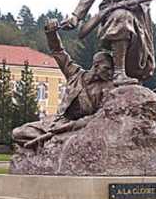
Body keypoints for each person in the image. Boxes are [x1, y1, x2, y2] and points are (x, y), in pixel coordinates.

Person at [12, 19, 114, 147]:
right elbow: (58, 52)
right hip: (57, 123)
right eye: (107, 68)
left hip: (79, 128)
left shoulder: (107, 89)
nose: (110, 73)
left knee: (71, 141)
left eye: (112, 70)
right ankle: (51, 143)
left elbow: (100, 117)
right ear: (96, 66)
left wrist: (72, 127)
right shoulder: (75, 74)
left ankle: (55, 143)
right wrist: (51, 33)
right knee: (18, 133)